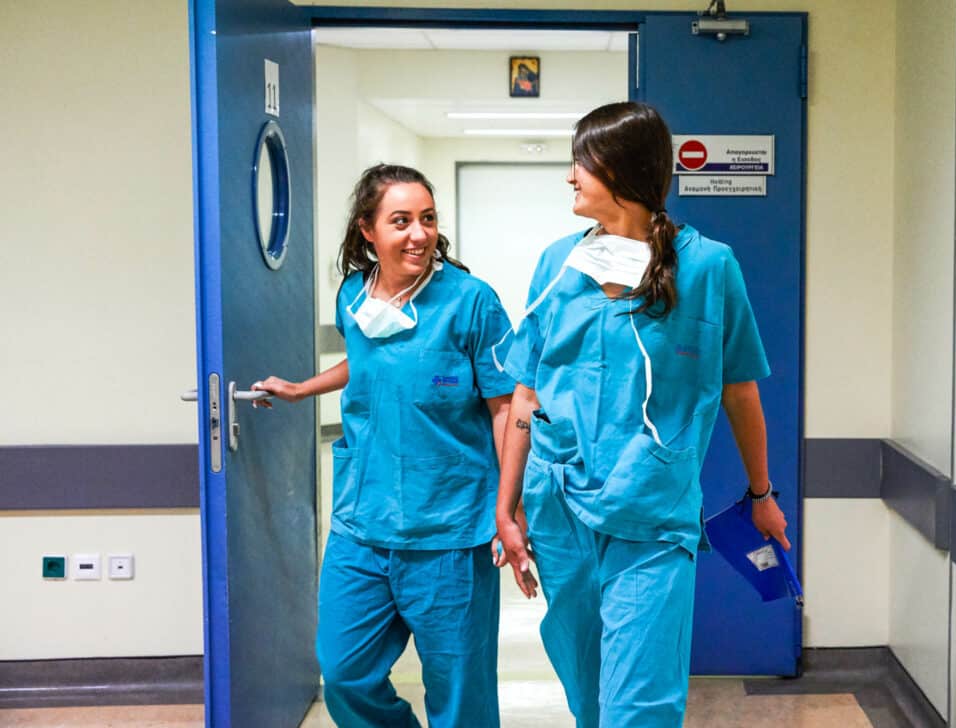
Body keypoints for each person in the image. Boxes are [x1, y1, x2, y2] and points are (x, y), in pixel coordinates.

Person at [492, 101, 791, 727]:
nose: (571, 177)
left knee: (639, 708)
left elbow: (740, 392)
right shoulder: (559, 265)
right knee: (589, 699)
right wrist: (508, 505)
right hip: (561, 511)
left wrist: (761, 493)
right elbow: (527, 392)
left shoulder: (709, 268)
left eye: (582, 162)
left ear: (622, 169)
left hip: (651, 518)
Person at [251, 164, 515, 727]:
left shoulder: (471, 302)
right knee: (344, 672)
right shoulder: (354, 293)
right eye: (400, 221)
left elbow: (505, 408)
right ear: (369, 229)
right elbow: (370, 360)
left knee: (461, 695)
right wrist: (303, 388)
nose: (418, 233)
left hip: (450, 527)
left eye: (427, 218)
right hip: (362, 523)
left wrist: (509, 507)